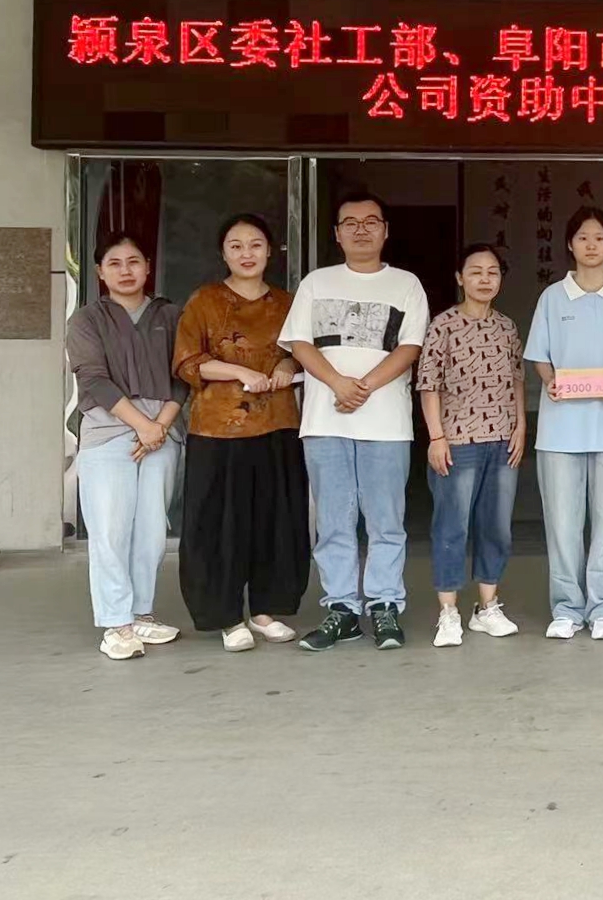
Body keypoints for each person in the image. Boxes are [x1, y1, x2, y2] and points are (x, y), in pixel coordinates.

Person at [279, 189, 430, 652]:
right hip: (325, 423)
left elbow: (410, 347)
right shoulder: (316, 283)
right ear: (337, 234)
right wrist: (337, 384)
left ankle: (384, 604)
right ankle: (342, 609)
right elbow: (299, 343)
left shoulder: (406, 284)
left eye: (370, 222)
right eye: (351, 223)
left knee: (386, 520)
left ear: (385, 231)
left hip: (386, 424)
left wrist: (361, 386)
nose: (361, 230)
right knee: (334, 520)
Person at [172, 214, 309, 653]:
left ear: (270, 251)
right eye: (236, 245)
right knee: (220, 524)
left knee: (274, 520)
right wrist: (239, 371)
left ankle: (267, 610)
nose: (246, 253)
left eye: (255, 244)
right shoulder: (205, 300)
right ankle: (226, 616)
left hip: (278, 424)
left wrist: (287, 364)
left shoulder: (288, 303)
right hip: (218, 431)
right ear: (223, 253)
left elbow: (303, 352)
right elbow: (187, 362)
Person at [525, 207, 603, 641]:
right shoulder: (552, 297)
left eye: (598, 238)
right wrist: (550, 382)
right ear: (569, 244)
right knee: (562, 524)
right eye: (582, 237)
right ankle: (566, 608)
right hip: (560, 429)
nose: (591, 245)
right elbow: (539, 356)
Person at [66, 231, 187, 660]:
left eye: (134, 261)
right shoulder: (87, 320)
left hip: (163, 433)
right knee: (110, 530)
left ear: (148, 267)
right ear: (100, 272)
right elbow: (93, 379)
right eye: (114, 263)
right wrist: (143, 426)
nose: (125, 270)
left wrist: (160, 426)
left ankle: (141, 613)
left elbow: (184, 374)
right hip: (108, 433)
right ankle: (116, 623)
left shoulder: (171, 314)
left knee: (151, 530)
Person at [416, 243, 526, 647]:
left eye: (493, 272)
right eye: (476, 271)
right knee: (452, 526)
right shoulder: (443, 325)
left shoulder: (507, 328)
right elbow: (428, 384)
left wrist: (521, 426)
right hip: (457, 440)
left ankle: (487, 607)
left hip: (502, 440)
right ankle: (448, 612)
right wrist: (436, 437)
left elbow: (517, 379)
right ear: (460, 278)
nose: (485, 279)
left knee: (495, 526)